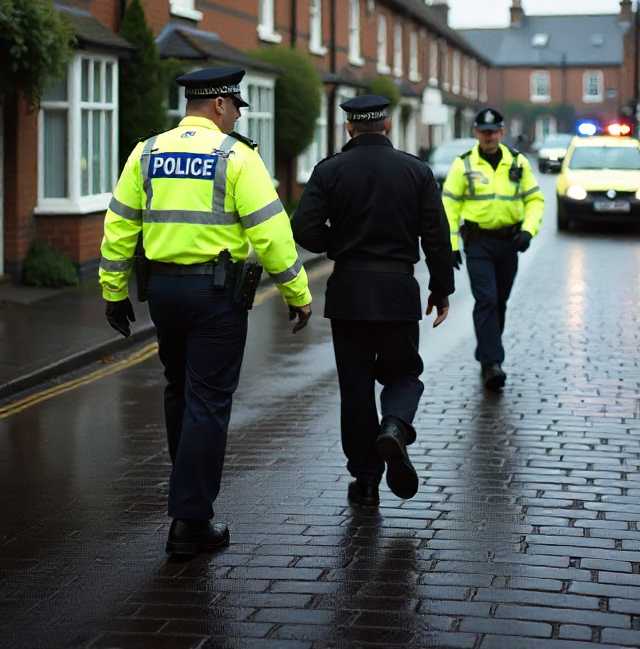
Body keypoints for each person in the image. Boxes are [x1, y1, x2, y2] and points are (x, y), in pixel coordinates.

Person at [99, 66, 312, 556]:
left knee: (180, 392)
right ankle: (190, 522)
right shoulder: (235, 155)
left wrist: (114, 292)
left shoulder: (146, 152)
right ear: (218, 104)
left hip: (164, 295)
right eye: (235, 106)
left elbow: (119, 226)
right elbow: (270, 231)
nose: (236, 115)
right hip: (216, 296)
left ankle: (187, 500)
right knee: (208, 402)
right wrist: (296, 291)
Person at [291, 94, 454, 507]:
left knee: (356, 386)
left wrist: (341, 243)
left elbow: (304, 228)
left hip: (348, 291)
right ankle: (395, 427)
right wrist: (441, 288)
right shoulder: (416, 171)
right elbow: (437, 236)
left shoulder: (329, 170)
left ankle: (365, 482)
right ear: (386, 126)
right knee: (404, 373)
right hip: (398, 289)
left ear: (350, 127)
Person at [442, 107, 544, 390]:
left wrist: (528, 231)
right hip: (478, 243)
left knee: (499, 301)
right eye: (483, 132)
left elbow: (535, 201)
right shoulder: (463, 165)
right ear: (476, 133)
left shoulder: (518, 163)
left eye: (493, 131)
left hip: (509, 243)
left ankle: (486, 349)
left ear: (501, 132)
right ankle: (492, 363)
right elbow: (448, 207)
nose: (488, 136)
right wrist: (451, 246)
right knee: (486, 299)